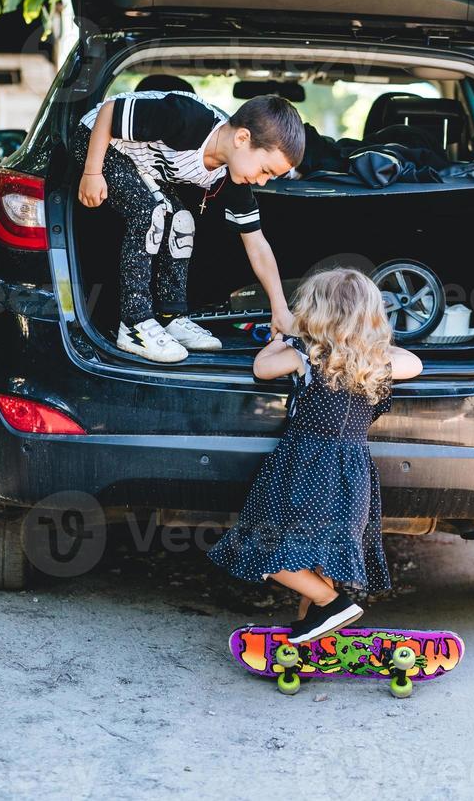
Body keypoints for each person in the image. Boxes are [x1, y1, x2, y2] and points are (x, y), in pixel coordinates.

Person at [207, 268, 423, 644]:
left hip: (307, 467)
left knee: (261, 545)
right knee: (318, 558)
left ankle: (332, 604)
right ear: (373, 315)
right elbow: (414, 363)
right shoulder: (378, 363)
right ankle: (316, 628)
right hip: (351, 474)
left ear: (315, 312)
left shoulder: (304, 354)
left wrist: (285, 338)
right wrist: (373, 346)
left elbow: (261, 367)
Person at [72, 91, 305, 363]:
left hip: (139, 164)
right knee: (151, 213)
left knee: (181, 221)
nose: (263, 182)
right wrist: (92, 172)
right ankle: (135, 324)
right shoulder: (188, 120)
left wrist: (280, 310)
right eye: (265, 170)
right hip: (97, 140)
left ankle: (170, 317)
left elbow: (257, 243)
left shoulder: (229, 175)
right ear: (242, 138)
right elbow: (110, 111)